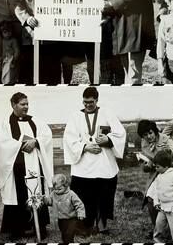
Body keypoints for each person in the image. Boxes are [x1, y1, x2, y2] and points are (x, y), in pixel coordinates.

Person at [63, 87, 126, 235]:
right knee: (83, 198)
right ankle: (84, 226)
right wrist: (85, 147)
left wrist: (108, 139)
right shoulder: (75, 116)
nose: (87, 105)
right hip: (83, 167)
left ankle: (102, 226)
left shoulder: (107, 113)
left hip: (104, 165)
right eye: (85, 102)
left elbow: (120, 133)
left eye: (91, 102)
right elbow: (69, 139)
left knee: (104, 196)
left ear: (96, 100)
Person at [0, 92, 53, 240]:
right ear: (13, 105)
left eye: (27, 104)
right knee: (17, 196)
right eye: (22, 104)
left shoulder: (35, 121)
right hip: (16, 168)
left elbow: (47, 135)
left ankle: (39, 227)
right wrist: (20, 145)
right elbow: (3, 144)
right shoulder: (5, 123)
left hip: (34, 165)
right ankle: (17, 230)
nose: (26, 107)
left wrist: (36, 141)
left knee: (36, 192)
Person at [14, 0, 62, 84]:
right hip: (30, 34)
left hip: (51, 36)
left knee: (51, 74)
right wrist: (27, 18)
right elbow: (17, 4)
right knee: (29, 73)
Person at [137, 120, 173, 231]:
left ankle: (172, 228)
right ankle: (158, 229)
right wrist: (148, 165)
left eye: (150, 133)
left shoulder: (164, 138)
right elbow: (145, 167)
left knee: (170, 203)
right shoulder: (144, 143)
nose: (148, 137)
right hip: (157, 175)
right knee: (150, 200)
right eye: (145, 135)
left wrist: (167, 150)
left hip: (171, 172)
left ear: (155, 131)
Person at [50, 0, 83, 84]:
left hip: (68, 32)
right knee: (54, 62)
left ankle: (68, 83)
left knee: (67, 62)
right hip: (53, 31)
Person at [96, 0, 124, 84]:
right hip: (102, 30)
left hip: (118, 27)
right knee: (105, 69)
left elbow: (123, 1)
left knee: (119, 69)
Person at [43, 174, 85, 243]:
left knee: (69, 234)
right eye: (55, 189)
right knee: (64, 234)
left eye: (59, 189)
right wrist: (44, 199)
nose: (57, 191)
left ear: (66, 186)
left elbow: (79, 204)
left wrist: (81, 213)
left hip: (71, 218)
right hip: (61, 219)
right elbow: (49, 202)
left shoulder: (71, 194)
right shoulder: (53, 194)